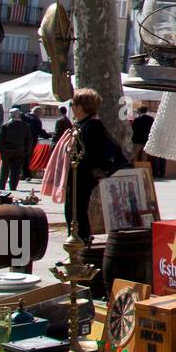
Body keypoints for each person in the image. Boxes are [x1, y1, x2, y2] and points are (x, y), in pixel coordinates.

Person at [64, 88, 128, 241]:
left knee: (76, 212)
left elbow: (93, 154)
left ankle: (80, 247)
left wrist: (93, 172)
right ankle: (76, 246)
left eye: (73, 104)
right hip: (78, 175)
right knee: (73, 211)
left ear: (80, 107)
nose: (71, 107)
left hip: (82, 176)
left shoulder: (92, 126)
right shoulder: (84, 124)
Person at [0, 106, 34, 191]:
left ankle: (1, 185)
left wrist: (0, 149)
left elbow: (0, 138)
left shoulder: (5, 125)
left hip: (6, 150)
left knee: (4, 169)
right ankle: (13, 186)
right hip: (20, 150)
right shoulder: (25, 126)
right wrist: (27, 151)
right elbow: (29, 139)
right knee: (16, 170)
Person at [20, 105, 47, 179]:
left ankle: (21, 173)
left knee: (22, 157)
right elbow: (39, 131)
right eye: (41, 113)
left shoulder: (25, 117)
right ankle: (26, 174)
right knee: (27, 157)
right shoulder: (36, 119)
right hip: (31, 140)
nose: (41, 114)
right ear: (37, 112)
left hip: (22, 140)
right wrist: (48, 135)